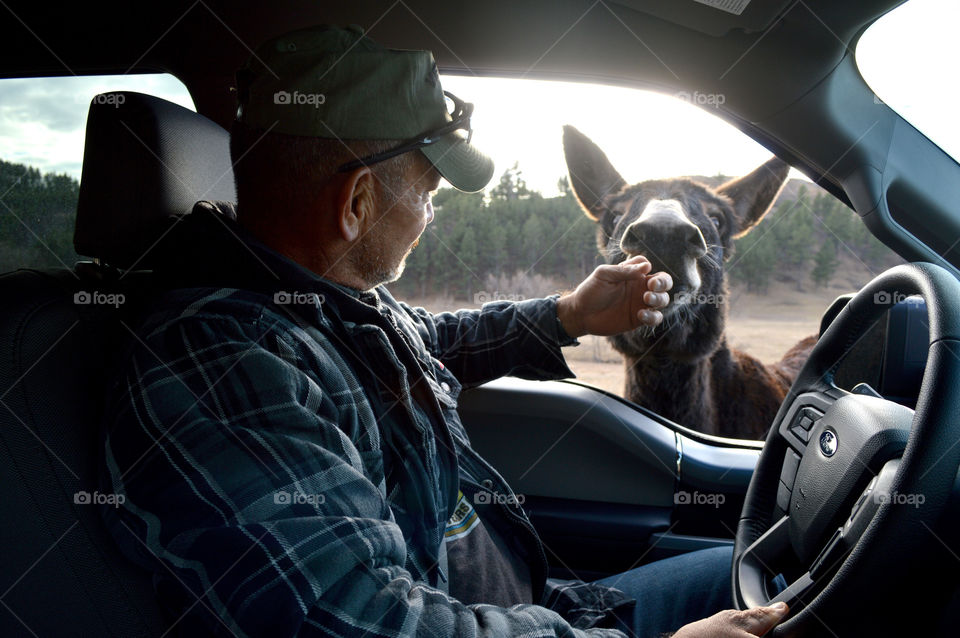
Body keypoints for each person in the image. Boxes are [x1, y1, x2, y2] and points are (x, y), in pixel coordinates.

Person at [99, 24, 789, 637]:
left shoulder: (326, 306)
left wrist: (569, 315)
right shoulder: (220, 362)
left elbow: (432, 339)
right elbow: (366, 622)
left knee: (782, 568)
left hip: (545, 610)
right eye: (428, 193)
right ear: (356, 202)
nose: (431, 215)